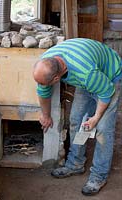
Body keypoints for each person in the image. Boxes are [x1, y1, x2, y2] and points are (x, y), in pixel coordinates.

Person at [33, 38, 122, 196]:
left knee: (102, 129)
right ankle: (75, 164)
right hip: (88, 74)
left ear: (56, 79)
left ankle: (98, 176)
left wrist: (95, 117)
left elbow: (106, 92)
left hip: (109, 77)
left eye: (47, 83)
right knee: (76, 120)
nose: (43, 86)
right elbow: (43, 91)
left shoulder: (86, 73)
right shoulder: (46, 63)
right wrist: (45, 115)